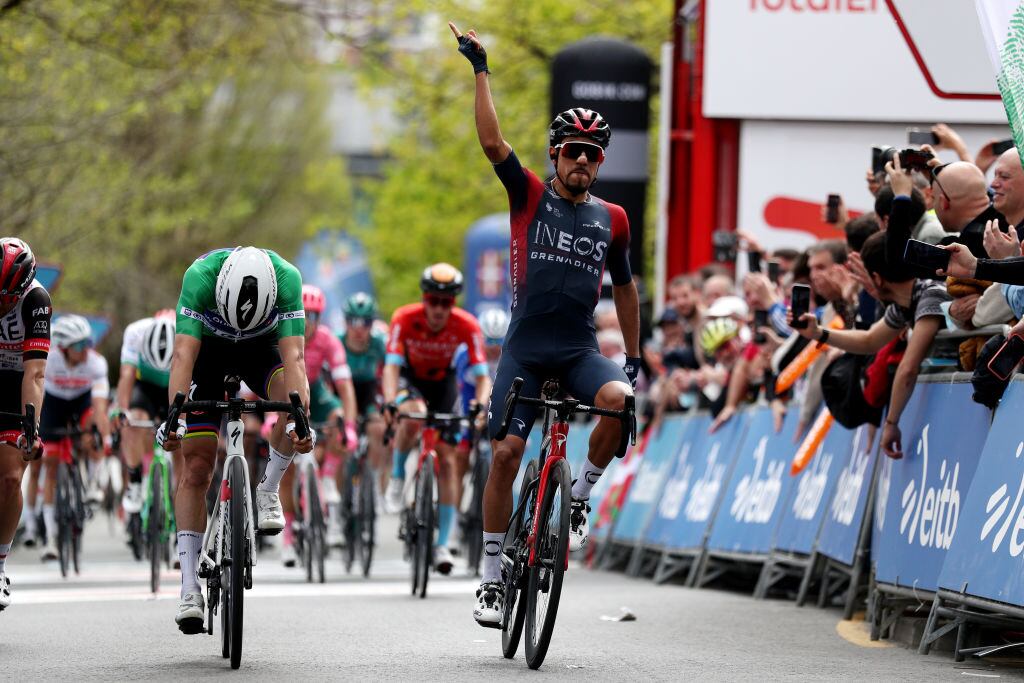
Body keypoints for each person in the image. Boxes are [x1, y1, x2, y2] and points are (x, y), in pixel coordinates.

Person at [449, 22, 640, 627]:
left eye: (593, 153)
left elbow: (627, 287)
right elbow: (491, 141)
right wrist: (481, 68)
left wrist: (632, 356)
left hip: (579, 350)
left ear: (600, 161)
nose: (582, 160)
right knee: (505, 453)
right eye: (571, 150)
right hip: (526, 350)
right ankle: (489, 579)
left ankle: (578, 494)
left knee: (621, 398)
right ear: (556, 153)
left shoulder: (614, 218)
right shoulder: (530, 194)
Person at [159, 246, 313, 634]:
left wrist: (300, 422)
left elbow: (294, 359)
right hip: (206, 354)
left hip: (260, 351)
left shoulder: (288, 279)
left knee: (293, 406)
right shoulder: (200, 277)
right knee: (196, 467)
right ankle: (190, 586)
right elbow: (182, 356)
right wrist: (174, 419)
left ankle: (267, 489)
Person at [793, 231, 950, 459]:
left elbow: (908, 368)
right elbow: (869, 340)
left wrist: (891, 423)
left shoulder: (931, 294)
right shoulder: (907, 300)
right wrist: (818, 332)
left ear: (876, 278)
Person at [382, 263, 491, 575]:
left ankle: (443, 542)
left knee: (449, 461)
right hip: (410, 378)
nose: (440, 309)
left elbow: (482, 378)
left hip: (444, 383)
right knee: (413, 415)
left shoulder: (466, 325)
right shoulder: (404, 318)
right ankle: (399, 474)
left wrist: (479, 406)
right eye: (434, 301)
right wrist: (391, 401)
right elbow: (391, 367)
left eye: (447, 302)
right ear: (424, 299)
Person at [276, 284, 357, 563]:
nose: (308, 323)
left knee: (337, 418)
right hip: (286, 394)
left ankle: (327, 480)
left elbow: (344, 387)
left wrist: (349, 426)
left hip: (316, 394)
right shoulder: (282, 335)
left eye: (314, 317)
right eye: (304, 315)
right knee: (284, 464)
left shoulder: (328, 340)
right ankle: (288, 537)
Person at [37, 315, 112, 560]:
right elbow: (35, 387)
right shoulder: (49, 358)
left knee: (92, 428)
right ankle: (50, 538)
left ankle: (92, 485)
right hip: (54, 404)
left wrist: (100, 430)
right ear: (63, 347)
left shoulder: (96, 363)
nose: (86, 349)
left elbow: (100, 405)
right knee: (50, 466)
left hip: (82, 401)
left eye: (88, 342)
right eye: (79, 345)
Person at [0, 238, 49, 610]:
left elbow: (35, 374)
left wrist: (31, 430)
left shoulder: (36, 301)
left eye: (7, 297)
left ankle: (0, 562)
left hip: (16, 383)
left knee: (12, 476)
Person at [116, 312, 175, 516]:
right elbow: (126, 375)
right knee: (133, 420)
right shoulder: (135, 332)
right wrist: (123, 412)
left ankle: (179, 499)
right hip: (146, 387)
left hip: (175, 384)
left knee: (185, 437)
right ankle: (135, 480)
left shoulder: (189, 332)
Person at [339, 292, 389, 491]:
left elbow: (391, 372)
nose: (359, 328)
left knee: (378, 428)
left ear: (372, 323)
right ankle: (339, 489)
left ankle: (374, 484)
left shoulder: (379, 343)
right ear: (346, 322)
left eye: (365, 322)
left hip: (368, 392)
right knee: (337, 431)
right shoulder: (337, 340)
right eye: (353, 321)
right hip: (343, 391)